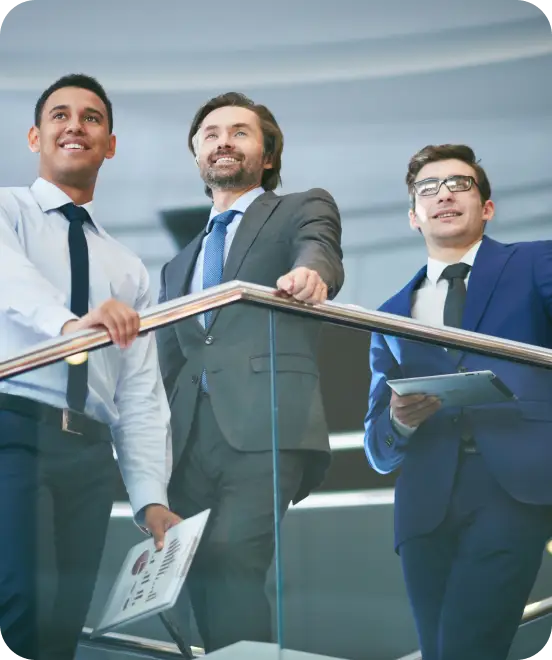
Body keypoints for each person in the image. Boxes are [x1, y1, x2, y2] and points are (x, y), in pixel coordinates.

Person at [0, 74, 181, 660]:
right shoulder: (7, 210)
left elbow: (141, 391)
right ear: (35, 136)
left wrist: (150, 494)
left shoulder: (126, 266)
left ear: (110, 144)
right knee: (20, 601)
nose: (75, 125)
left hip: (88, 454)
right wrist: (68, 324)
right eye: (60, 115)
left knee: (63, 623)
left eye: (91, 118)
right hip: (13, 430)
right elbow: (11, 283)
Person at [156, 91, 344, 652]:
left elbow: (320, 249)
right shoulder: (178, 262)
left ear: (266, 156)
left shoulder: (299, 206)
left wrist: (312, 275)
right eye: (210, 133)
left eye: (240, 131)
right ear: (196, 156)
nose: (223, 141)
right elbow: (170, 360)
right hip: (189, 441)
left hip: (265, 426)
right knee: (193, 577)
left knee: (234, 554)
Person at [364, 144, 552, 660]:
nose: (444, 193)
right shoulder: (388, 315)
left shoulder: (535, 262)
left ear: (486, 208)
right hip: (425, 504)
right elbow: (377, 448)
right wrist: (398, 422)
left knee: (470, 646)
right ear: (412, 216)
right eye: (428, 187)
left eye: (460, 184)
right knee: (441, 651)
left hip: (514, 487)